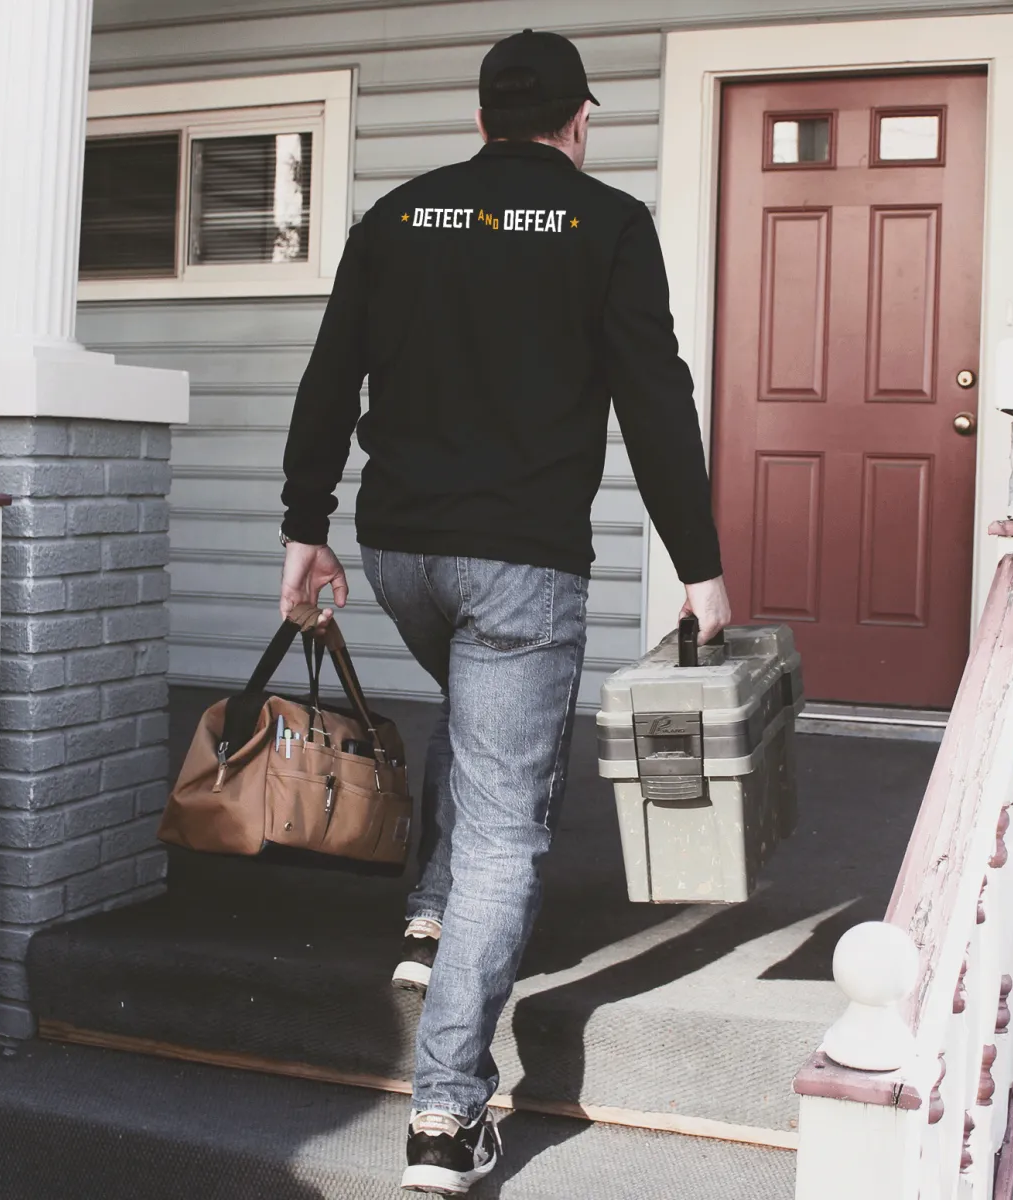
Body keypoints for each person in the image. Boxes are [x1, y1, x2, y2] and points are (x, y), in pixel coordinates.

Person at [278, 27, 729, 1195]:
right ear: (578, 125)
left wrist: (302, 524)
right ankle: (445, 1113)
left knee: (476, 723)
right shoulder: (609, 225)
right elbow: (655, 398)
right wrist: (700, 561)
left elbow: (332, 376)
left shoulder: (398, 218)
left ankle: (427, 922)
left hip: (399, 553)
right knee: (504, 823)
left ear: (480, 121)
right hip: (522, 565)